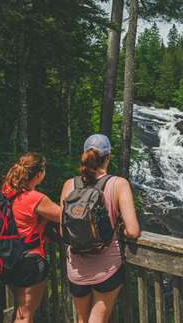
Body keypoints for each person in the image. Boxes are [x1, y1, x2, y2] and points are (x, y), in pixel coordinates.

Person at [60, 134, 140, 323]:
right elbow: (133, 231)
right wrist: (120, 229)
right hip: (106, 267)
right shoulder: (118, 184)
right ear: (108, 157)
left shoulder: (69, 185)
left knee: (82, 320)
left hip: (76, 268)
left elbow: (64, 231)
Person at [1, 153, 61, 323]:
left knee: (20, 310)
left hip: (9, 258)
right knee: (26, 314)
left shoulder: (8, 193)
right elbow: (65, 215)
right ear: (39, 174)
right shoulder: (35, 198)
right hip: (30, 260)